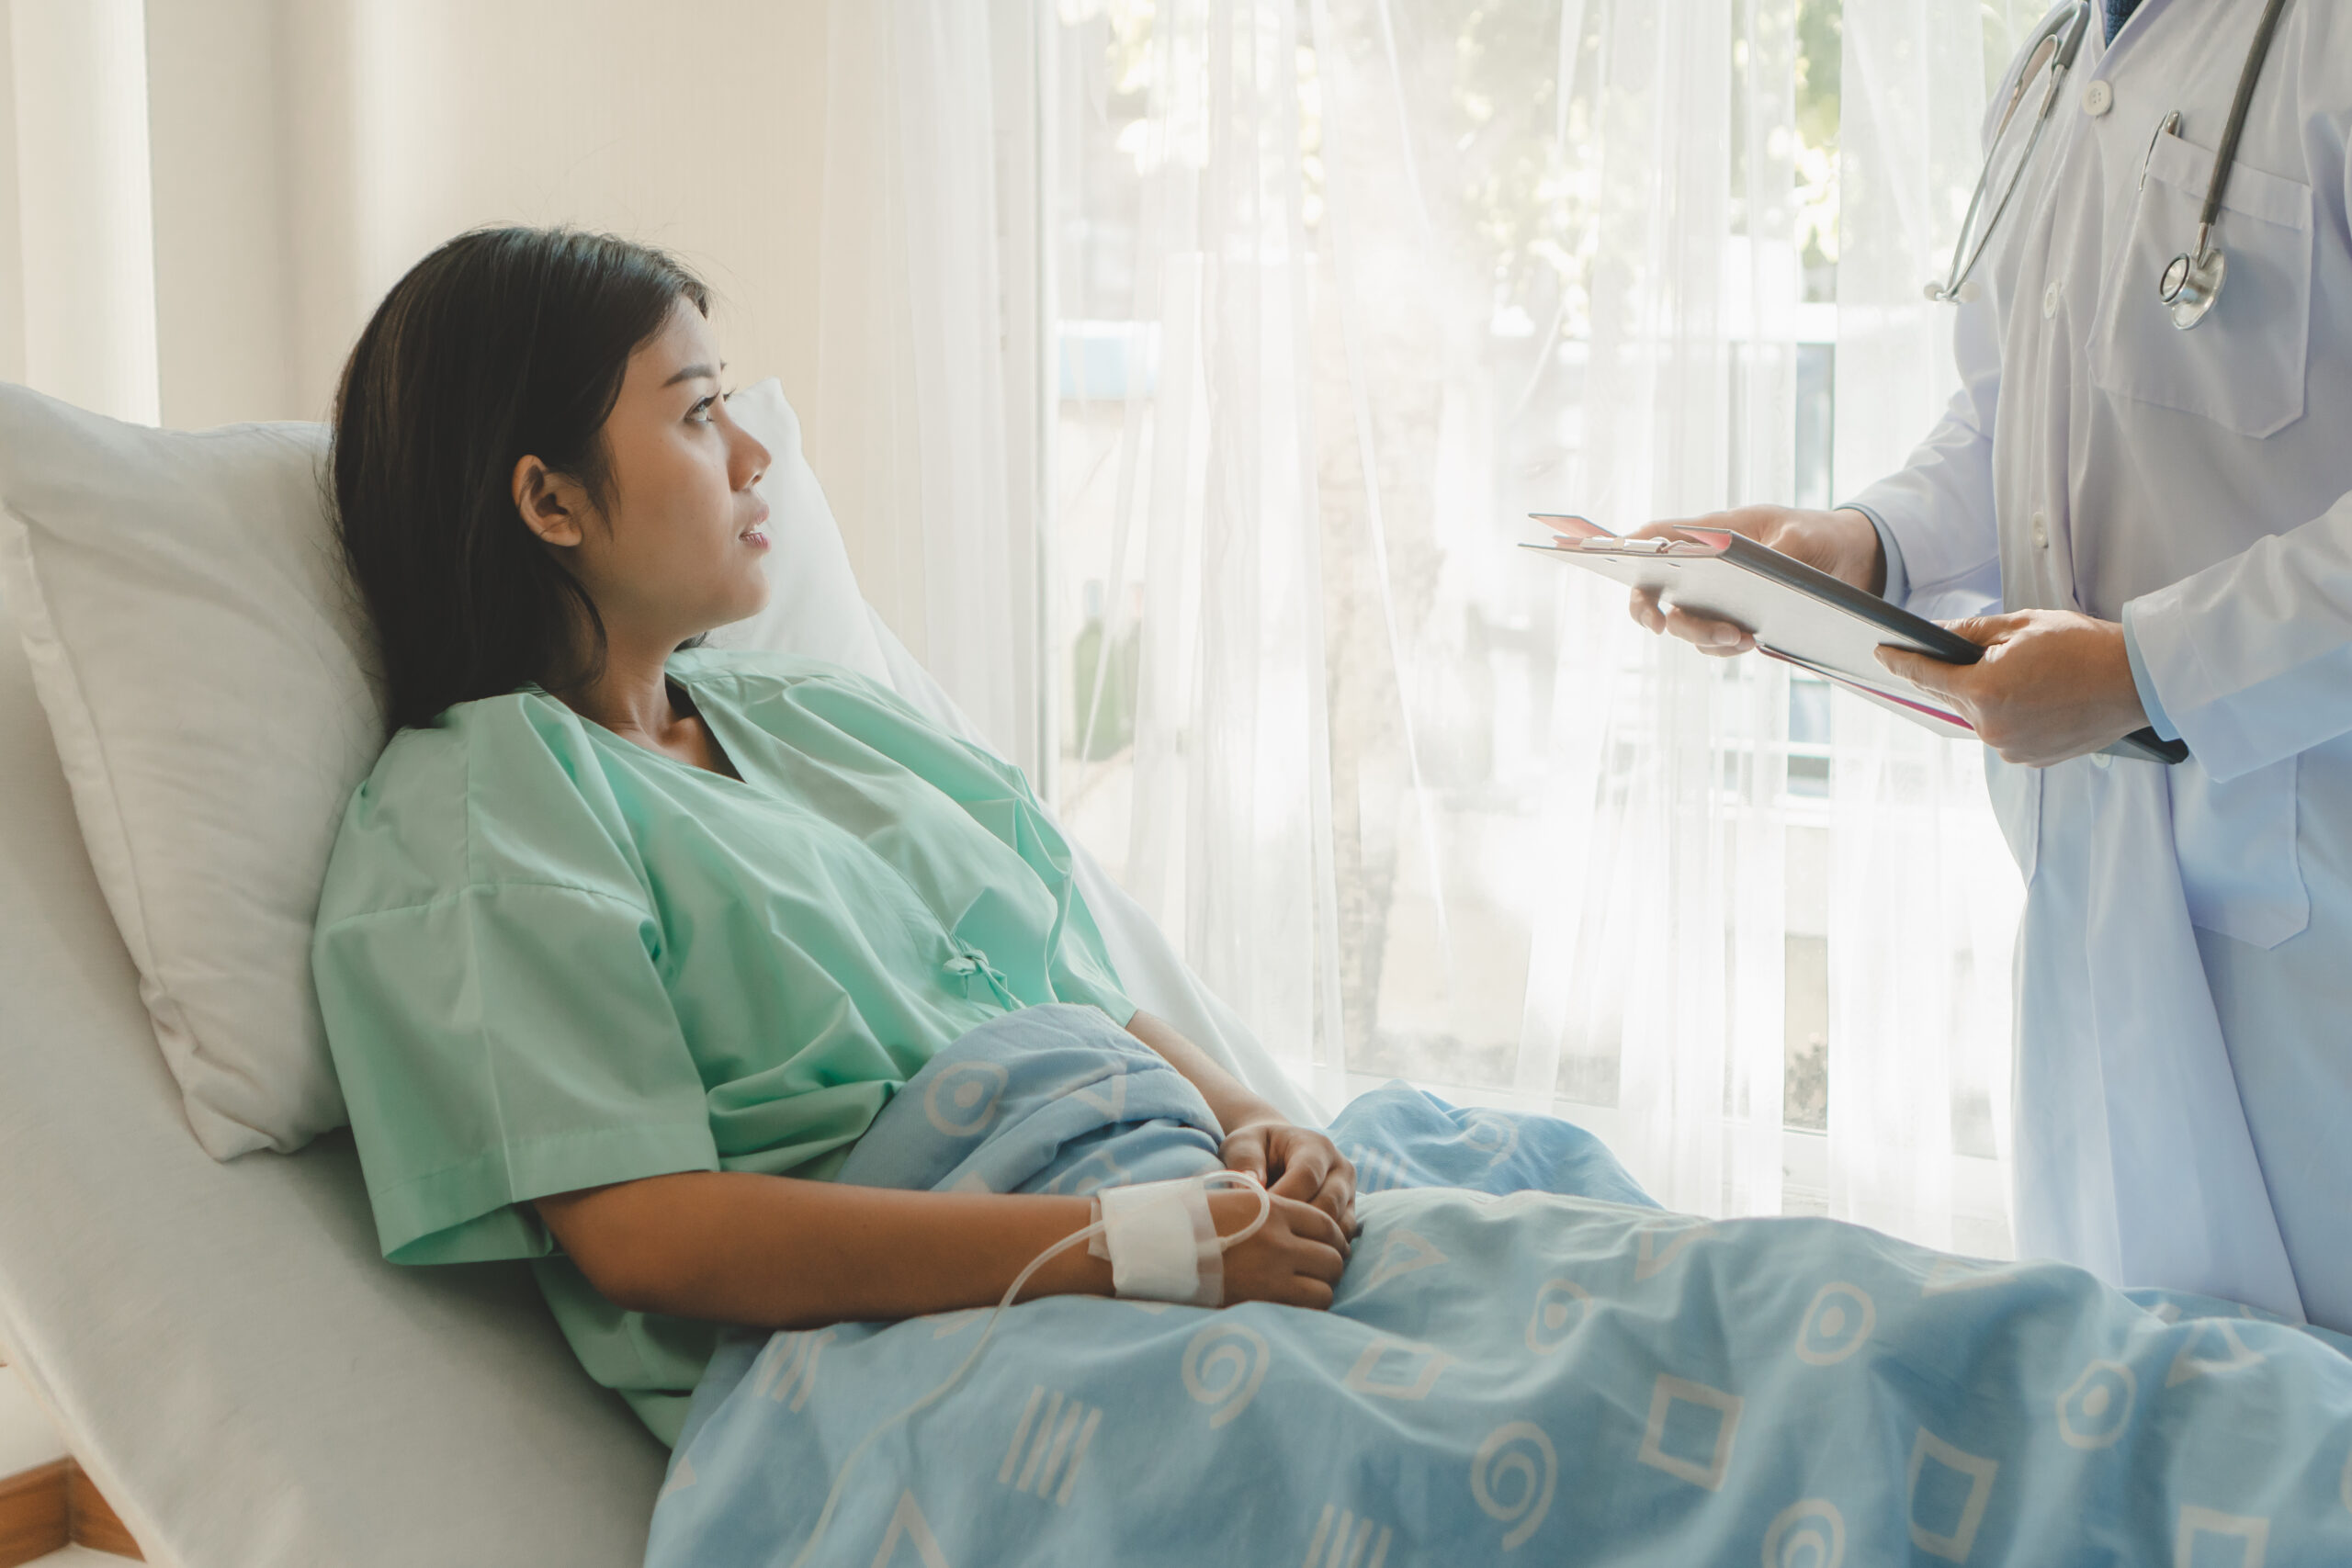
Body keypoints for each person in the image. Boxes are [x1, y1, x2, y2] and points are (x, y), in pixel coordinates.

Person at [309, 225, 1357, 1447]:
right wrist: (1136, 1247)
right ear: (549, 500)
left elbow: (1063, 982)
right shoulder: (485, 810)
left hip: (1184, 1200)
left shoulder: (820, 712)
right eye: (700, 416)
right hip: (960, 1349)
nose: (756, 455)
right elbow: (650, 1233)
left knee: (1585, 1273)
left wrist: (1250, 1116)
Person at [1630, 0, 2351, 1334]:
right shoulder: (2053, 70)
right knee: (2127, 1433)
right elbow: (2014, 416)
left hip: (2318, 915)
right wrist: (1866, 542)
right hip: (2095, 882)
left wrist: (2149, 671)